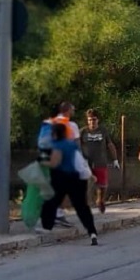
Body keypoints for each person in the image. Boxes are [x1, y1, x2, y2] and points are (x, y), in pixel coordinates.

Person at [38, 102, 99, 245]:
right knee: (82, 207)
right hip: (77, 178)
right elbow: (80, 159)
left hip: (61, 177)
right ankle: (92, 232)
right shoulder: (71, 144)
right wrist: (90, 173)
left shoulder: (56, 145)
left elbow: (54, 162)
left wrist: (42, 161)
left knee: (51, 202)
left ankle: (46, 230)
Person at [80, 109, 119, 214]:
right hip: (86, 162)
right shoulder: (83, 131)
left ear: (98, 120)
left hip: (100, 161)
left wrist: (115, 159)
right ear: (87, 121)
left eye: (94, 120)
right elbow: (76, 145)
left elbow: (110, 145)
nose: (92, 122)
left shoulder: (103, 131)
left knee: (102, 185)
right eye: (90, 120)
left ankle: (100, 200)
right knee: (85, 184)